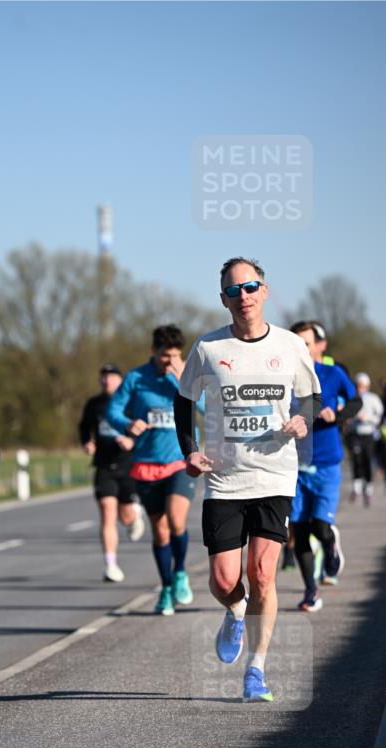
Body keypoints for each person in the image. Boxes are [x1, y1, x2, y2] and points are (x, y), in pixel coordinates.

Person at [174, 257, 321, 703]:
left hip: (275, 475)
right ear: (224, 299)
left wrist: (303, 420)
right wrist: (190, 450)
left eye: (251, 286)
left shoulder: (290, 345)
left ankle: (256, 670)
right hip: (224, 479)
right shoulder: (208, 348)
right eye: (234, 290)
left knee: (262, 574)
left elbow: (310, 397)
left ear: (264, 291)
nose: (244, 296)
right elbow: (184, 401)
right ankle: (236, 610)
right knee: (224, 581)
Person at [106, 325, 198, 615]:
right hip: (147, 463)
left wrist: (184, 381)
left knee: (176, 520)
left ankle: (180, 572)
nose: (169, 361)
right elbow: (112, 410)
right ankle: (166, 588)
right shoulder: (136, 378)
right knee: (160, 531)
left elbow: (209, 409)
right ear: (153, 352)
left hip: (180, 460)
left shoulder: (186, 375)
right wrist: (127, 424)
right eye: (164, 356)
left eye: (175, 355)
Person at [288, 322, 360, 610]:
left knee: (319, 525)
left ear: (320, 346)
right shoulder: (284, 377)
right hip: (294, 465)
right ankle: (310, 592)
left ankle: (330, 544)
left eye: (306, 344)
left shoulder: (332, 374)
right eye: (296, 344)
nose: (301, 350)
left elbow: (356, 401)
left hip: (327, 463)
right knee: (299, 531)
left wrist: (338, 416)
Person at [78, 363, 145, 582]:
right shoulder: (94, 404)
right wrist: (87, 442)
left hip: (128, 466)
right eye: (104, 376)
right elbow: (84, 427)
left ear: (120, 380)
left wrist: (132, 441)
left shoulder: (131, 402)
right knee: (107, 513)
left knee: (125, 517)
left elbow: (145, 428)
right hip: (104, 466)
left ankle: (134, 515)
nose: (107, 380)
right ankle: (111, 565)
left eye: (112, 376)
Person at [345, 373, 384, 506]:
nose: (360, 388)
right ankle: (356, 488)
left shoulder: (373, 398)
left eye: (362, 386)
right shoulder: (351, 398)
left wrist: (368, 419)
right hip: (355, 434)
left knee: (367, 461)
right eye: (358, 386)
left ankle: (368, 489)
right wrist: (350, 419)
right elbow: (346, 415)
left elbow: (379, 417)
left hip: (368, 434)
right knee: (356, 460)